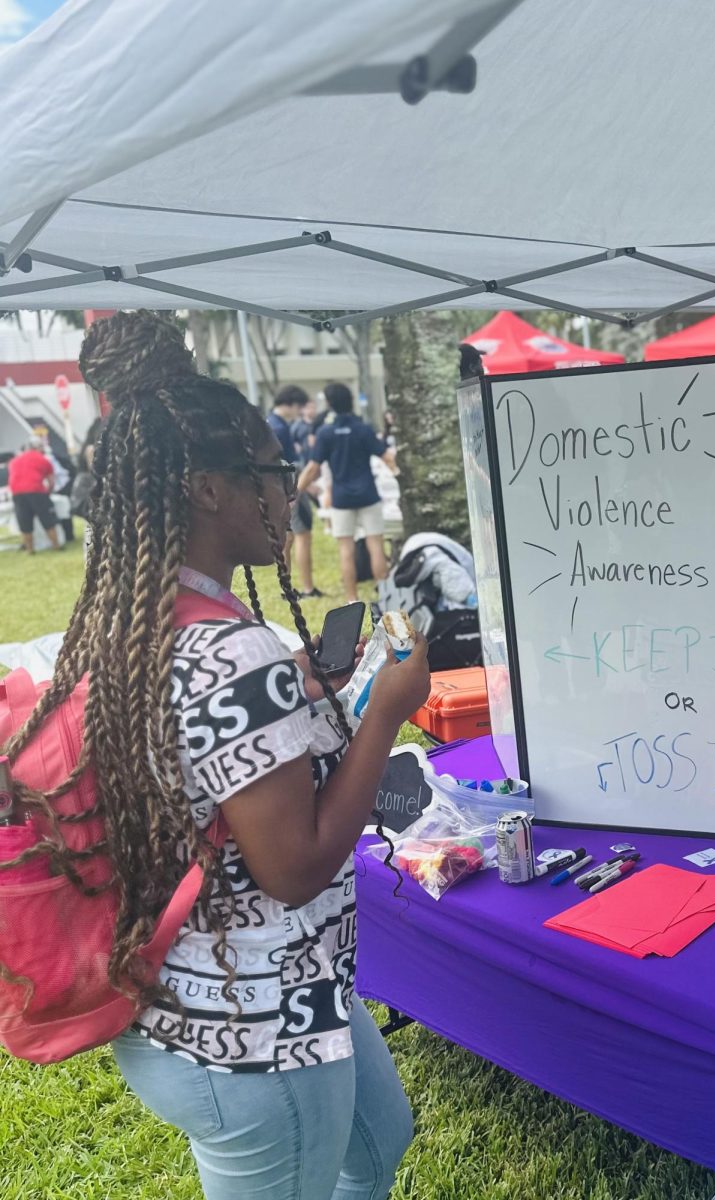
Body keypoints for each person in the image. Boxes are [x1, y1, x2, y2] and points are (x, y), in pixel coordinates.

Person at [3, 311, 429, 1198]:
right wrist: (386, 711)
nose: (288, 491)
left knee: (378, 1142)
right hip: (249, 1032)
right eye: (271, 470)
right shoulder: (233, 654)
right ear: (206, 490)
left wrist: (296, 697)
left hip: (228, 991)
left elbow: (197, 757)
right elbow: (296, 866)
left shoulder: (133, 626)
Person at [298, 383, 390, 603]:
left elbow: (312, 468)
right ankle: (385, 594)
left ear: (329, 404)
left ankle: (352, 599)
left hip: (341, 498)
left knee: (345, 549)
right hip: (369, 494)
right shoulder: (363, 428)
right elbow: (386, 456)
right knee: (376, 545)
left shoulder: (325, 433)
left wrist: (295, 491)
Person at [268, 384, 323, 599]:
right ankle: (299, 588)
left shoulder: (271, 423)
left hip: (282, 487)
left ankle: (288, 587)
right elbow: (286, 464)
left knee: (289, 538)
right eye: (299, 407)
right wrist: (305, 485)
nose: (300, 412)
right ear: (290, 405)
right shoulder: (279, 428)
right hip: (287, 488)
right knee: (296, 536)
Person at [8, 435, 62, 552]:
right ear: (39, 448)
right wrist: (49, 492)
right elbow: (51, 482)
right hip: (36, 491)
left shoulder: (14, 461)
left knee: (25, 523)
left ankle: (30, 549)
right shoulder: (43, 459)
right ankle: (56, 546)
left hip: (17, 493)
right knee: (48, 520)